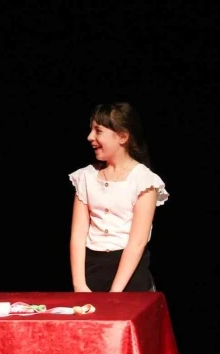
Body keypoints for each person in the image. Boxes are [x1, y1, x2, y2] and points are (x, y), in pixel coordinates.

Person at [69, 101, 169, 292]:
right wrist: (79, 284)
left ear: (122, 137)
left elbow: (137, 242)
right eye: (91, 130)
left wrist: (115, 292)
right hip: (92, 273)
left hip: (130, 278)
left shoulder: (144, 180)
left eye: (98, 131)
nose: (90, 137)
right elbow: (78, 235)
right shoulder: (85, 177)